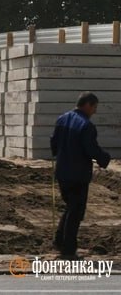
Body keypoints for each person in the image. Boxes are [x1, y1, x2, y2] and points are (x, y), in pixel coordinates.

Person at [50, 91, 111, 259]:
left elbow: (53, 144)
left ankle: (59, 241)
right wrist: (104, 159)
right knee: (76, 211)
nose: (95, 112)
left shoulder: (62, 119)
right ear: (88, 105)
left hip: (62, 172)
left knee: (70, 207)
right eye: (94, 107)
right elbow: (91, 149)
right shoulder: (86, 125)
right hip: (78, 174)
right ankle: (68, 250)